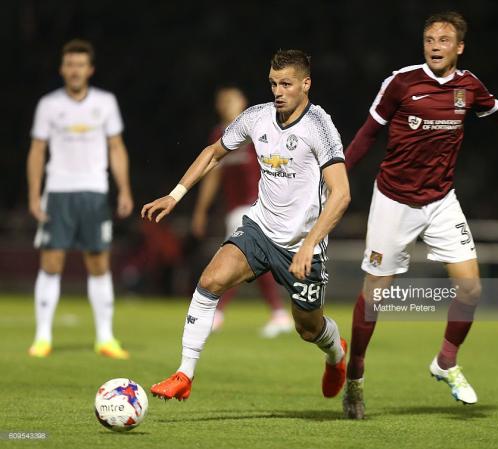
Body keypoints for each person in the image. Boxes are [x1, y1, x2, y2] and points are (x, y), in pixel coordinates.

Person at [342, 11, 498, 419]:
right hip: (394, 201)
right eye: (429, 39)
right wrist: (337, 178)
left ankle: (445, 362)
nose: (435, 45)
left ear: (459, 47)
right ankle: (356, 375)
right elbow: (368, 133)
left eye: (443, 39)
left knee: (471, 289)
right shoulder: (401, 82)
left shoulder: (468, 87)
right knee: (374, 297)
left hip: (440, 201)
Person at [142, 49, 351, 401]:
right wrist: (175, 195)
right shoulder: (256, 118)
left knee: (308, 327)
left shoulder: (320, 127)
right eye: (273, 83)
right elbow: (213, 152)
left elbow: (341, 194)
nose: (278, 91)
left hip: (303, 244)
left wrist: (309, 243)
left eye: (286, 84)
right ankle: (184, 373)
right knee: (209, 280)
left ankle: (336, 355)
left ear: (306, 83)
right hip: (259, 228)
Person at [27, 39, 133, 359]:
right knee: (51, 261)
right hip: (58, 190)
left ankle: (105, 338)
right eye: (70, 64)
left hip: (95, 191)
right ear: (62, 69)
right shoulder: (48, 105)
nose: (75, 70)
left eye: (80, 65)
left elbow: (116, 147)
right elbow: (37, 151)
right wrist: (34, 194)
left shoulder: (105, 102)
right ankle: (43, 337)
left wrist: (124, 188)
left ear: (90, 70)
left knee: (99, 262)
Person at [191, 86, 292, 337]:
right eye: (223, 101)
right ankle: (279, 313)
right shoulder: (220, 134)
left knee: (234, 258)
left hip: (257, 205)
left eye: (232, 100)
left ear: (243, 103)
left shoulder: (256, 129)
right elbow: (213, 176)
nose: (227, 104)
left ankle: (217, 312)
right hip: (234, 208)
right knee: (251, 262)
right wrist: (200, 211)